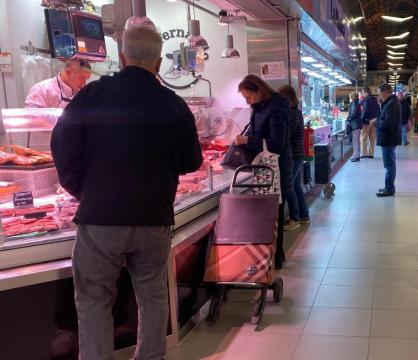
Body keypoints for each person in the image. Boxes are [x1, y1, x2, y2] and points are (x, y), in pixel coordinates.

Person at [50, 24, 203, 359]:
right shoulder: (174, 104)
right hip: (153, 217)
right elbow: (192, 161)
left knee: (93, 300)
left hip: (101, 218)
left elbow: (61, 143)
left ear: (121, 57)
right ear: (159, 62)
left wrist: (82, 188)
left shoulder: (91, 95)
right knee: (152, 295)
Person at [235, 75, 292, 269]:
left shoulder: (277, 108)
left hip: (276, 168)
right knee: (266, 213)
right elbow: (259, 135)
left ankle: (275, 258)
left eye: (248, 97)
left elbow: (277, 144)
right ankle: (268, 255)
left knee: (273, 212)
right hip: (262, 168)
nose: (247, 101)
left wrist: (247, 141)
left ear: (259, 90)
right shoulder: (259, 109)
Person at [278, 85, 310, 231]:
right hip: (295, 155)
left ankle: (294, 218)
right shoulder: (293, 112)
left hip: (294, 155)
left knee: (288, 187)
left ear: (287, 98)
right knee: (296, 186)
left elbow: (287, 134)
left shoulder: (293, 113)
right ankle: (303, 215)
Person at [25, 60, 92, 108]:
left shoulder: (82, 94)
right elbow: (32, 119)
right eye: (82, 78)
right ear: (68, 72)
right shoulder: (41, 89)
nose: (84, 83)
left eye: (86, 79)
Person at [373, 83, 402, 197]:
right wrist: (380, 105)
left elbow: (388, 123)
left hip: (389, 138)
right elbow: (384, 118)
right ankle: (388, 186)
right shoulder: (389, 103)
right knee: (389, 164)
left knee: (389, 165)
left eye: (380, 93)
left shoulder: (392, 104)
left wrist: (376, 122)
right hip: (388, 137)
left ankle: (389, 189)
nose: (379, 95)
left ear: (386, 92)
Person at [360, 86, 380, 159]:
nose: (362, 94)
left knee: (363, 138)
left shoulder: (366, 99)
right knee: (372, 139)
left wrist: (362, 120)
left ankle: (364, 154)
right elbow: (378, 109)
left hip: (367, 122)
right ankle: (371, 154)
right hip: (374, 121)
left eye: (362, 93)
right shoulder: (375, 99)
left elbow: (364, 111)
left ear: (366, 92)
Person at [348, 91, 363, 162]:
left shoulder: (354, 103)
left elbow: (353, 114)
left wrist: (348, 118)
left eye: (350, 97)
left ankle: (356, 156)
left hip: (355, 125)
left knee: (356, 141)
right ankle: (356, 155)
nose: (349, 98)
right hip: (357, 124)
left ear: (352, 97)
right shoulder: (356, 103)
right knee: (356, 141)